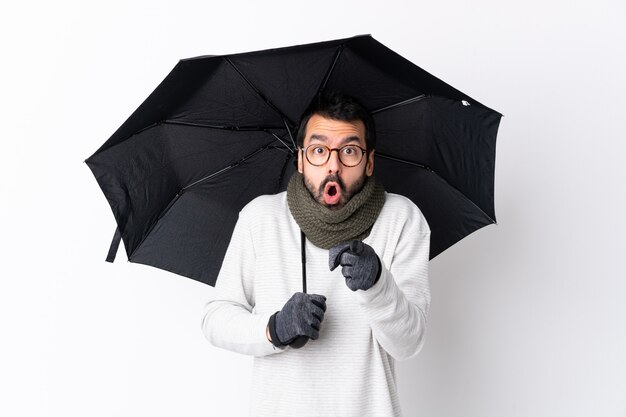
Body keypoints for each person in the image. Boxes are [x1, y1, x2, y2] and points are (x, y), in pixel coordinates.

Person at [201, 91, 431, 417]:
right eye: (319, 150)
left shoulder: (402, 219)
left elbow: (409, 343)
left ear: (369, 162)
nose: (333, 166)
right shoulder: (261, 218)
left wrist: (378, 284)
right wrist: (275, 328)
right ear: (300, 158)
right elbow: (215, 319)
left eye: (349, 151)